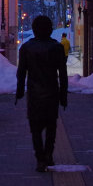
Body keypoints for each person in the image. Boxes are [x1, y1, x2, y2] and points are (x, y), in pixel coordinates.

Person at [16, 15, 69, 172]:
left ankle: (40, 158)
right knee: (51, 127)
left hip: (34, 94)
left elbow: (21, 73)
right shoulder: (57, 47)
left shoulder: (26, 48)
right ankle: (48, 155)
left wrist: (19, 91)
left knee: (35, 128)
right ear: (50, 29)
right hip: (52, 92)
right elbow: (63, 75)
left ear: (34, 29)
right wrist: (63, 96)